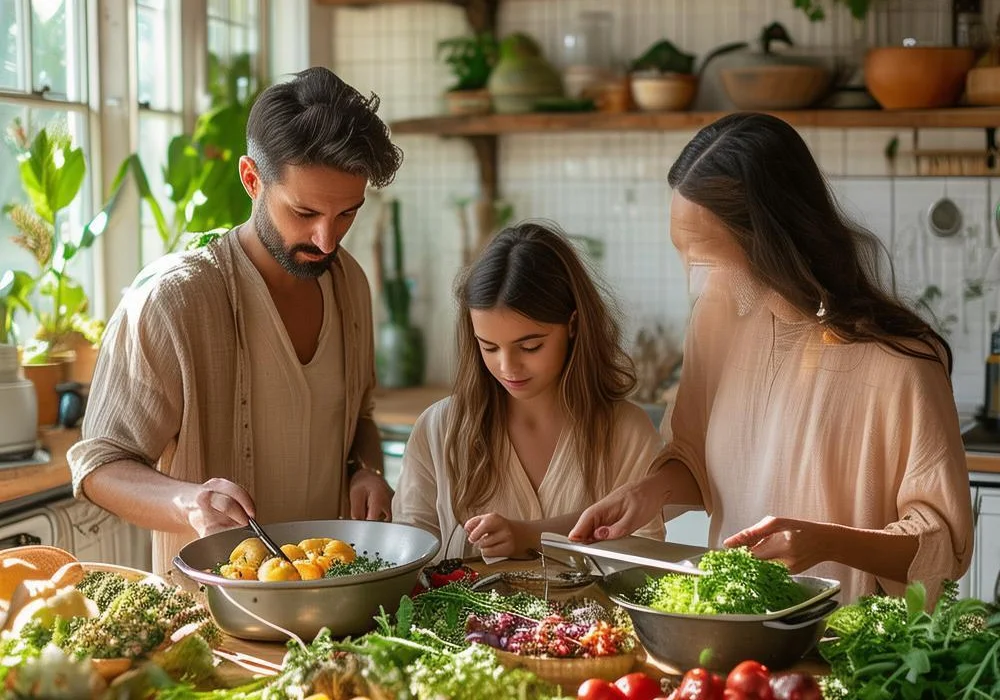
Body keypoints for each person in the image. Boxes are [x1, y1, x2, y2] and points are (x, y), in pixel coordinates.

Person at [569, 113, 974, 603]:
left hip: (844, 651)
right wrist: (650, 491)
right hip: (734, 639)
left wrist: (825, 541)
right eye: (683, 254)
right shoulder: (714, 327)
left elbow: (942, 546)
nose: (693, 280)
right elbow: (694, 458)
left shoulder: (903, 364)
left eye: (706, 259)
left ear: (770, 243)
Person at [68, 68, 402, 573]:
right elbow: (99, 465)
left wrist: (367, 470)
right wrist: (189, 503)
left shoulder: (350, 283)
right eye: (305, 212)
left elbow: (360, 418)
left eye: (346, 215)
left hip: (331, 600)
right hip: (211, 616)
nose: (327, 240)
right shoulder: (173, 300)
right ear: (251, 179)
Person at [393, 221, 665, 561]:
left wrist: (531, 536)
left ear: (574, 325)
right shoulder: (439, 429)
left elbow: (647, 559)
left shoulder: (626, 432)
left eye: (531, 346)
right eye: (489, 347)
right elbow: (408, 554)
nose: (508, 367)